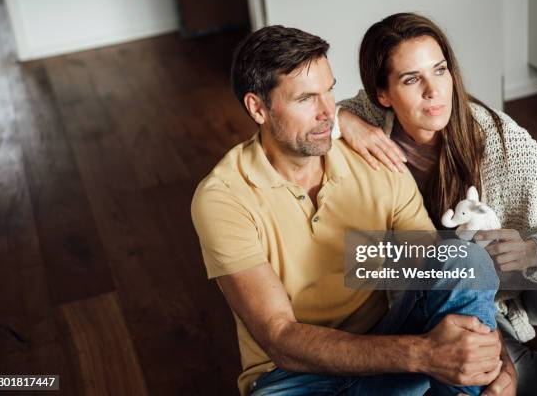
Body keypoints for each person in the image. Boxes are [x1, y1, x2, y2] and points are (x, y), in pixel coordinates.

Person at [191, 25, 508, 395]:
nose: (329, 112)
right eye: (307, 98)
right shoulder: (223, 197)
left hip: (383, 350)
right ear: (257, 108)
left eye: (329, 90)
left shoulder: (375, 161)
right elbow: (279, 337)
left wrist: (498, 365)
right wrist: (423, 355)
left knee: (464, 258)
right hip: (290, 377)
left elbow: (440, 269)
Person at [334, 12, 537, 395]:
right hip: (444, 298)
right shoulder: (367, 127)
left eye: (440, 71)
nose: (433, 90)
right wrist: (344, 120)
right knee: (517, 382)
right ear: (382, 94)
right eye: (411, 79)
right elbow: (304, 117)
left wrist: (533, 251)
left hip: (514, 282)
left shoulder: (500, 142)